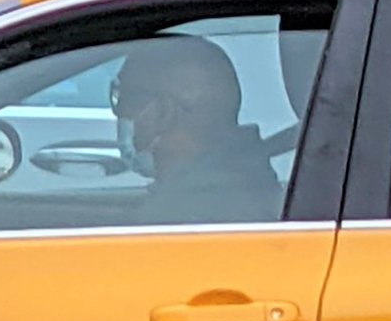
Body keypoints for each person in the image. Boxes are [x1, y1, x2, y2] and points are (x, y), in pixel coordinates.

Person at [110, 34, 281, 221]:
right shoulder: (242, 184)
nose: (120, 113)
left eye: (126, 100)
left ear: (164, 112)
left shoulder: (178, 215)